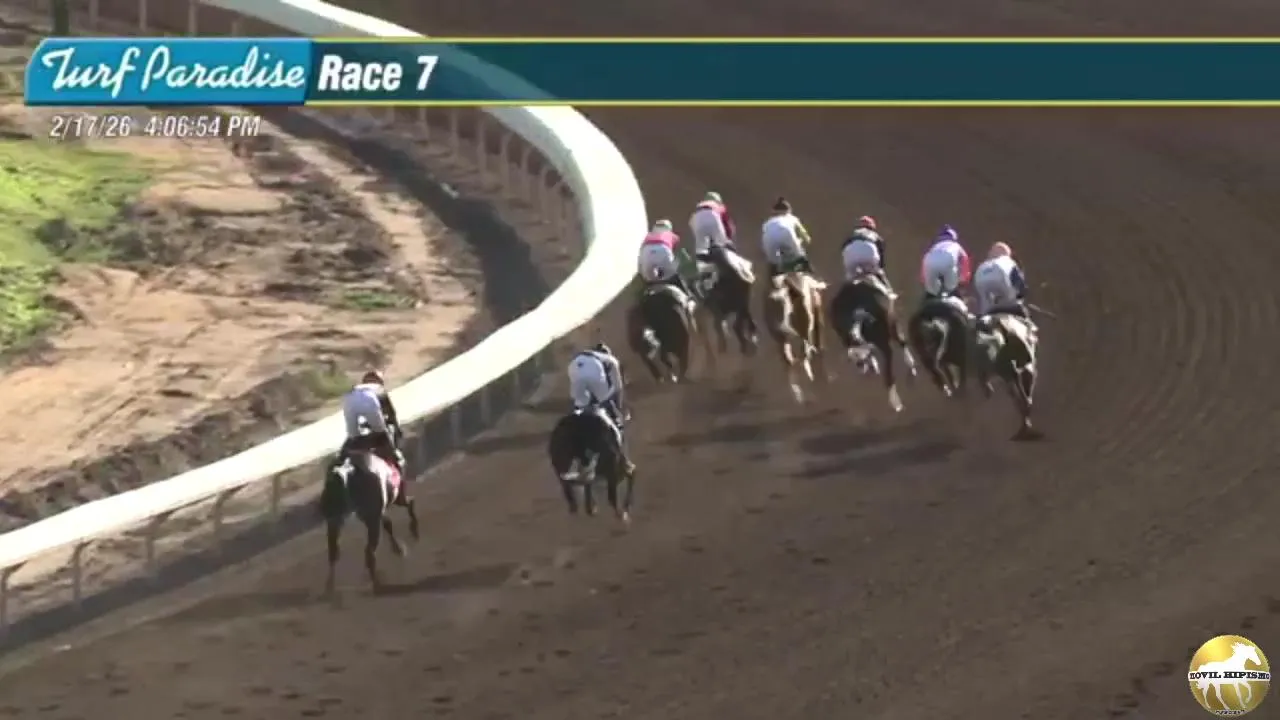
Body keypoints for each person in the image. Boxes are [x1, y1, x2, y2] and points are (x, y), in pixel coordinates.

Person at [339, 370, 405, 480]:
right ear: (379, 381)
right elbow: (391, 414)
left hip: (349, 398)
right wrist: (397, 429)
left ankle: (340, 461)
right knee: (382, 433)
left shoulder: (358, 388)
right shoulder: (379, 388)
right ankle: (396, 459)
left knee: (353, 437)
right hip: (369, 400)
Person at [973, 242, 1036, 329]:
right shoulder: (1008, 262)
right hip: (1010, 308)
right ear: (1006, 254)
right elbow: (1020, 287)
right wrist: (1022, 294)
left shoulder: (980, 268)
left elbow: (978, 292)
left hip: (987, 311)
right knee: (1028, 324)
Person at [638, 219, 697, 308]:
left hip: (646, 255)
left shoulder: (647, 237)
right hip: (663, 251)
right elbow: (680, 253)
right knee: (675, 275)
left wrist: (643, 274)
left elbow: (640, 260)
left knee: (647, 282)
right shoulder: (671, 235)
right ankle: (689, 298)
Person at [919, 224, 972, 313]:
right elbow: (965, 260)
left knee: (928, 298)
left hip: (930, 265)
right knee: (955, 294)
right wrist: (963, 280)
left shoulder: (933, 248)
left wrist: (926, 282)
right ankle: (963, 315)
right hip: (948, 264)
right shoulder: (956, 245)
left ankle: (922, 314)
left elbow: (924, 266)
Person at [760, 197, 816, 277]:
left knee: (773, 261)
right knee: (800, 256)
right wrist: (805, 241)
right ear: (788, 211)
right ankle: (807, 270)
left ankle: (773, 275)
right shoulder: (792, 218)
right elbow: (805, 236)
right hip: (786, 235)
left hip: (768, 241)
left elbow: (765, 238)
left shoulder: (767, 223)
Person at [841, 216, 894, 295]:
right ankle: (890, 293)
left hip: (850, 254)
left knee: (848, 279)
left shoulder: (853, 233)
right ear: (872, 228)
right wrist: (880, 268)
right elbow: (881, 256)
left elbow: (843, 248)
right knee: (880, 273)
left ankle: (842, 296)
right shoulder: (875, 235)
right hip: (869, 253)